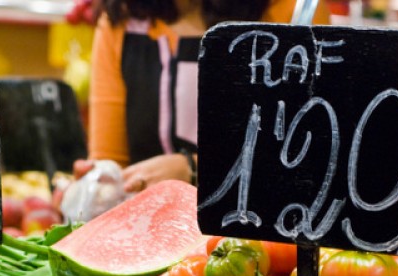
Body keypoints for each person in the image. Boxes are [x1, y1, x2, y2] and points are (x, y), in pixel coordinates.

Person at [77, 0, 332, 193]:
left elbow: (308, 158)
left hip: (259, 241)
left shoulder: (297, 12)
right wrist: (95, 186)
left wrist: (195, 169)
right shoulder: (122, 16)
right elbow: (111, 160)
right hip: (142, 231)